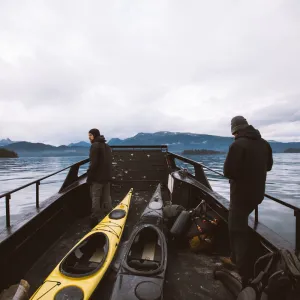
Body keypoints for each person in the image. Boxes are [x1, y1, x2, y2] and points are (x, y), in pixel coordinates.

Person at [223, 116, 273, 286]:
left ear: (234, 130)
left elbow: (228, 171)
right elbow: (269, 166)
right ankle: (241, 259)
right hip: (257, 195)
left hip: (240, 196)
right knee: (241, 224)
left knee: (236, 229)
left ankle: (239, 268)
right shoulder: (264, 143)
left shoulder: (237, 145)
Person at [87, 128, 112, 225]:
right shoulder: (107, 146)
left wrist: (89, 176)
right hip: (107, 176)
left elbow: (93, 163)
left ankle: (95, 218)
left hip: (98, 177)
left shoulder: (95, 146)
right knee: (106, 196)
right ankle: (109, 214)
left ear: (94, 135)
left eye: (90, 135)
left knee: (95, 197)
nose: (89, 137)